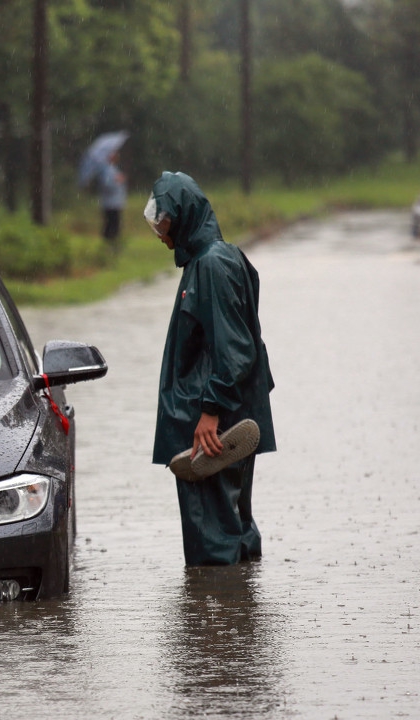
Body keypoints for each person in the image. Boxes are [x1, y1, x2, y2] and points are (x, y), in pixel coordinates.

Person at [143, 171, 275, 567]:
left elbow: (235, 348)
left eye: (164, 222)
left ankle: (216, 624)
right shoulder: (214, 258)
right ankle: (240, 619)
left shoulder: (212, 265)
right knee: (233, 524)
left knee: (213, 540)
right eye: (155, 222)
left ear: (185, 217)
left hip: (213, 431)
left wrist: (210, 411)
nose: (160, 234)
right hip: (222, 421)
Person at [98, 150, 127, 245]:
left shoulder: (114, 169)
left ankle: (113, 242)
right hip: (110, 203)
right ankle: (109, 243)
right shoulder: (107, 170)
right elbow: (107, 185)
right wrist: (117, 181)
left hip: (116, 202)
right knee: (111, 224)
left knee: (115, 224)